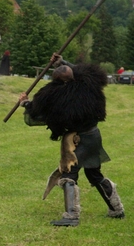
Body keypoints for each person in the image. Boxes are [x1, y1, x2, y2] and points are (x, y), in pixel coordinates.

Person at [18, 53, 124, 227]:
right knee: (94, 174)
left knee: (69, 174)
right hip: (94, 135)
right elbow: (77, 70)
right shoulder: (89, 83)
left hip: (76, 139)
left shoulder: (61, 98)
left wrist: (26, 104)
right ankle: (116, 208)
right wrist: (62, 63)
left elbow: (41, 115)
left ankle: (71, 216)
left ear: (60, 82)